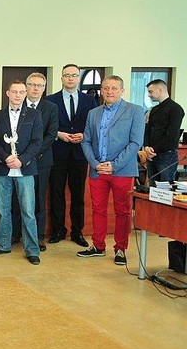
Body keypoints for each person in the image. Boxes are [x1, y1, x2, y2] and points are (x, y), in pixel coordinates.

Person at [78, 76, 145, 265]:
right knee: (98, 209)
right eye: (106, 88)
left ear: (122, 90)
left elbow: (135, 143)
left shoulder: (135, 111)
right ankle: (98, 246)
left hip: (122, 170)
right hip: (98, 170)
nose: (109, 92)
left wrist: (114, 165)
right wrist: (94, 163)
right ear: (101, 90)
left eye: (114, 88)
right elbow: (86, 140)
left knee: (122, 211)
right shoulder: (93, 113)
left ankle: (121, 249)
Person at [0, 80, 43, 265]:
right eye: (14, 92)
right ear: (8, 93)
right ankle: (3, 244)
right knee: (3, 210)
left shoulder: (35, 115)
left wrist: (21, 159)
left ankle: (32, 250)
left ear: (25, 94)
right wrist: (6, 158)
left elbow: (37, 142)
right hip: (3, 169)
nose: (18, 95)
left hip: (25, 169)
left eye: (21, 92)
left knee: (28, 211)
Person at [46, 64, 97, 246]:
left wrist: (84, 135)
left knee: (78, 195)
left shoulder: (89, 101)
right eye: (67, 75)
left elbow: (93, 125)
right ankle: (58, 230)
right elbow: (45, 126)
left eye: (74, 75)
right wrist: (58, 134)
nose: (70, 78)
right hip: (57, 152)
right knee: (56, 193)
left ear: (78, 78)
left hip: (79, 154)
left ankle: (77, 231)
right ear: (61, 78)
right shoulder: (50, 100)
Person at [11, 73, 58, 251]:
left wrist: (29, 155)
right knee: (16, 197)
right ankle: (16, 233)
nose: (35, 88)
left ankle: (37, 236)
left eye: (39, 85)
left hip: (40, 161)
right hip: (17, 161)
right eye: (32, 85)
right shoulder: (16, 105)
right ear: (26, 87)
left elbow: (51, 135)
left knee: (38, 198)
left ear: (44, 88)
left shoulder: (51, 108)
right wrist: (20, 158)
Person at [143, 79, 184, 182]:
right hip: (151, 154)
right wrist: (146, 147)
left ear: (160, 90)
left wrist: (154, 150)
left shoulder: (176, 109)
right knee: (153, 186)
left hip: (167, 154)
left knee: (165, 186)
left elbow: (172, 135)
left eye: (151, 92)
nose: (149, 95)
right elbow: (148, 130)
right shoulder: (154, 110)